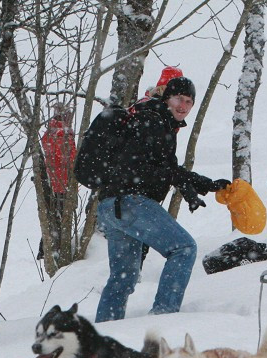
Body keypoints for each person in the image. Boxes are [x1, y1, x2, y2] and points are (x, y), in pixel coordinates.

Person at [94, 76, 230, 322]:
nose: (184, 106)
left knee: (123, 278)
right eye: (179, 99)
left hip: (109, 206)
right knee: (184, 248)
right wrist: (186, 185)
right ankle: (163, 317)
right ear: (167, 98)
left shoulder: (149, 118)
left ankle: (103, 336)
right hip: (130, 202)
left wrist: (205, 185)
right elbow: (148, 168)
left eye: (189, 102)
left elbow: (166, 169)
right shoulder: (153, 122)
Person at [38, 104, 78, 260]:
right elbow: (70, 159)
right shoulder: (64, 135)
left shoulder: (50, 133)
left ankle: (47, 249)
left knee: (53, 219)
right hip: (63, 184)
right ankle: (53, 251)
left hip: (53, 182)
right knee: (62, 219)